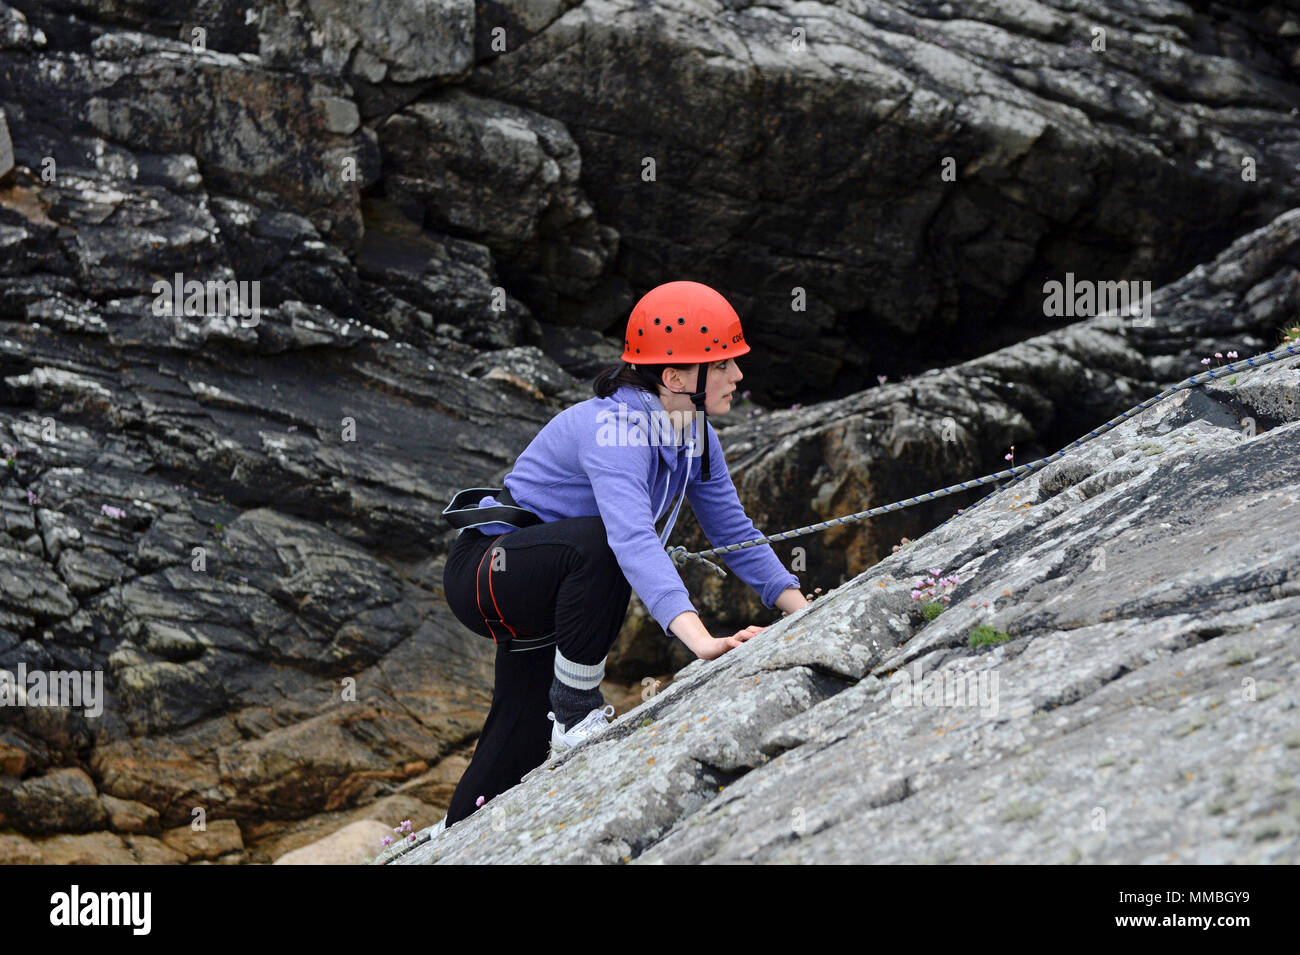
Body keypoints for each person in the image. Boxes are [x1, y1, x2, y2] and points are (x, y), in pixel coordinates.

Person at [438, 280, 809, 827]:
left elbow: (733, 529)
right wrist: (702, 642)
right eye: (724, 363)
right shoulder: (614, 429)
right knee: (602, 546)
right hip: (489, 571)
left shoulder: (696, 436)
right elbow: (630, 538)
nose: (738, 375)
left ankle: (456, 837)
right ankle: (575, 712)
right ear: (676, 377)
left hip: (550, 588)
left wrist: (799, 608)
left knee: (511, 748)